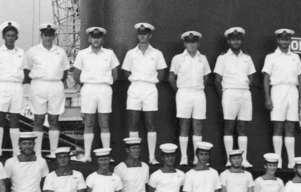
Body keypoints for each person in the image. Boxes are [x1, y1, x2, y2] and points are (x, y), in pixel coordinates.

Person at [121, 22, 167, 164]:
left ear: (150, 35)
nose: (143, 36)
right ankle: (134, 157)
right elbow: (125, 71)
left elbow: (161, 72)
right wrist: (135, 80)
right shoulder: (131, 53)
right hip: (135, 88)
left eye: (145, 34)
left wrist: (151, 81)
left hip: (150, 89)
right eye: (140, 34)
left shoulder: (157, 53)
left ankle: (152, 157)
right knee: (133, 123)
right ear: (137, 35)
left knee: (150, 123)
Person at [73, 26, 120, 162]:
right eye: (93, 37)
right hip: (88, 89)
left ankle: (106, 154)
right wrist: (87, 84)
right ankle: (87, 155)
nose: (96, 40)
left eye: (98, 37)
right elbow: (76, 75)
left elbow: (115, 74)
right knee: (89, 122)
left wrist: (104, 82)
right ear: (89, 38)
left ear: (102, 39)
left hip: (104, 89)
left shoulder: (109, 54)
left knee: (104, 122)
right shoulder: (82, 54)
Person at [214, 27, 257, 168]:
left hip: (244, 93)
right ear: (228, 41)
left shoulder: (247, 58)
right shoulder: (222, 58)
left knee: (242, 127)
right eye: (233, 39)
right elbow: (217, 79)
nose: (236, 42)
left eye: (238, 39)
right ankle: (229, 159)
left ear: (241, 40)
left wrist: (244, 86)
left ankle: (243, 159)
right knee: (229, 126)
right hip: (229, 93)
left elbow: (251, 77)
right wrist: (224, 95)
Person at [24, 23, 70, 158]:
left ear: (54, 36)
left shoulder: (60, 52)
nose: (48, 37)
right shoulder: (32, 51)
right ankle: (37, 153)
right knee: (38, 119)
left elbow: (65, 71)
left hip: (55, 85)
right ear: (41, 35)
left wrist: (56, 81)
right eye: (45, 34)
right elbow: (26, 70)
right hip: (38, 85)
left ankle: (53, 152)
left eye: (50, 35)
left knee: (54, 119)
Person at [262, 28, 301, 168]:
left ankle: (291, 160)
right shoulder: (271, 57)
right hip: (278, 90)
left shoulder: (295, 57)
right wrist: (268, 98)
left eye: (287, 39)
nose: (285, 42)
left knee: (291, 125)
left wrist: (300, 97)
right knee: (278, 125)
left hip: (292, 91)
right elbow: (266, 78)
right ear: (278, 40)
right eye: (282, 39)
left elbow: (300, 78)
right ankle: (278, 159)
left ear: (290, 40)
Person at [170, 31, 212, 167]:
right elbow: (171, 77)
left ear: (198, 43)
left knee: (198, 125)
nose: (191, 45)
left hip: (199, 93)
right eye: (188, 42)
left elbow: (206, 77)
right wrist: (180, 91)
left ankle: (196, 158)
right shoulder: (178, 58)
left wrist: (198, 88)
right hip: (183, 93)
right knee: (184, 125)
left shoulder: (203, 58)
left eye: (194, 42)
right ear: (184, 43)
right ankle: (183, 157)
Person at [0, 22, 26, 157]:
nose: (10, 38)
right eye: (8, 35)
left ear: (17, 37)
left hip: (16, 86)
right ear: (3, 36)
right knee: (0, 117)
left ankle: (16, 150)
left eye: (13, 36)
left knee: (15, 117)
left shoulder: (21, 53)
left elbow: (25, 71)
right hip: (2, 85)